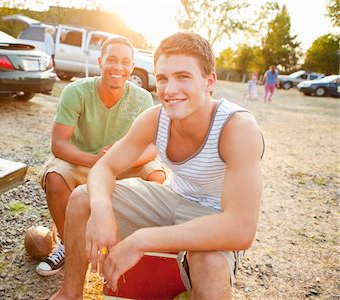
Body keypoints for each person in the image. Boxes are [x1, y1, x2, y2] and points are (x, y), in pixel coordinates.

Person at [51, 31, 264, 300]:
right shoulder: (156, 118)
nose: (170, 89)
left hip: (214, 215)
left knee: (209, 265)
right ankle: (69, 294)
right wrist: (102, 209)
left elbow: (240, 228)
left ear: (209, 81)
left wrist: (141, 241)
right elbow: (105, 167)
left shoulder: (237, 127)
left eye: (183, 77)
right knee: (84, 198)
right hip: (172, 198)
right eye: (162, 78)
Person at [36, 36, 165, 277]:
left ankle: (130, 247)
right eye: (112, 60)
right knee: (55, 177)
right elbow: (59, 144)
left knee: (157, 175)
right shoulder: (76, 91)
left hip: (122, 162)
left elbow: (151, 149)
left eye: (125, 62)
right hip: (84, 158)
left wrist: (119, 160)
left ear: (132, 65)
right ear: (100, 62)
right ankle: (68, 242)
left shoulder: (143, 98)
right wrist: (97, 161)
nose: (119, 67)